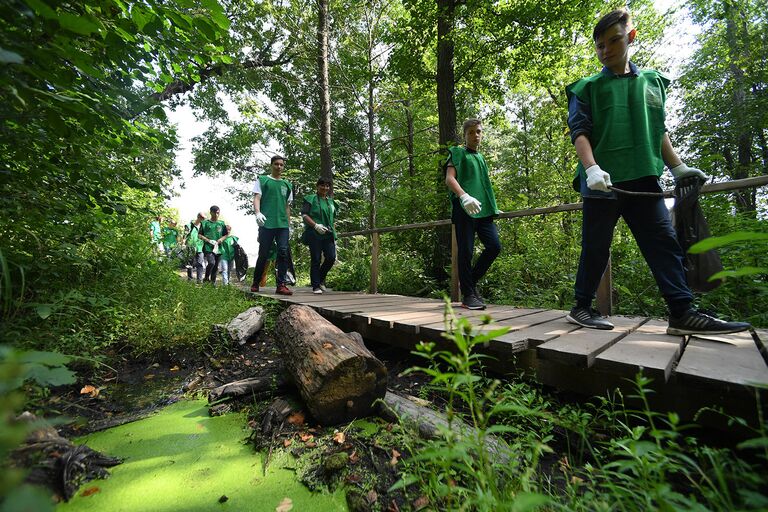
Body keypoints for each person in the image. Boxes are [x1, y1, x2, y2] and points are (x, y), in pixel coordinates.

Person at [564, 9, 750, 336]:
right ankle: (581, 306)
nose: (605, 50)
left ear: (630, 37)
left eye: (613, 41)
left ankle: (682, 313)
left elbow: (658, 129)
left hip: (645, 181)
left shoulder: (652, 83)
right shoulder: (587, 88)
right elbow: (579, 132)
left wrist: (677, 166)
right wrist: (591, 168)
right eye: (599, 45)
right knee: (596, 246)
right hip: (602, 184)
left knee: (664, 243)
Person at [444, 119, 502, 310]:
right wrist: (464, 196)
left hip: (483, 211)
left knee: (494, 246)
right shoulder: (458, 153)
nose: (475, 135)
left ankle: (469, 282)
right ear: (465, 135)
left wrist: (492, 207)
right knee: (466, 251)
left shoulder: (481, 157)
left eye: (478, 132)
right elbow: (449, 179)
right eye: (471, 132)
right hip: (465, 209)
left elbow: (484, 185)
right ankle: (468, 295)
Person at [250, 155, 294, 295]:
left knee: (282, 252)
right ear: (271, 165)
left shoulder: (287, 184)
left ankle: (281, 284)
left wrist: (289, 224)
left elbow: (287, 206)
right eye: (276, 164)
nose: (279, 167)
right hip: (267, 222)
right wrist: (257, 213)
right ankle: (256, 282)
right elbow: (257, 197)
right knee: (264, 254)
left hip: (282, 224)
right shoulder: (263, 180)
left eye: (281, 165)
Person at [301, 177, 338, 294]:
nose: (325, 188)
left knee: (331, 257)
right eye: (322, 185)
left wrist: (333, 231)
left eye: (327, 186)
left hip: (328, 233)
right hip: (314, 233)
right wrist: (316, 225)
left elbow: (333, 218)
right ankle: (315, 285)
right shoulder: (310, 199)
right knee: (316, 258)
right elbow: (304, 215)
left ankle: (320, 279)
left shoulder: (331, 202)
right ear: (317, 186)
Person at [199, 205, 228, 284]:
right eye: (215, 213)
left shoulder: (221, 223)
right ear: (211, 212)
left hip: (218, 247)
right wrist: (208, 240)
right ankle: (206, 277)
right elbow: (200, 235)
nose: (216, 214)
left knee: (215, 266)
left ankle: (212, 283)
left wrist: (221, 240)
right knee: (211, 262)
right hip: (208, 247)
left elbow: (226, 234)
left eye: (218, 213)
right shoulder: (205, 223)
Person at [185, 212, 206, 283]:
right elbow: (185, 235)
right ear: (198, 217)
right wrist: (184, 242)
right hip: (190, 246)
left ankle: (199, 280)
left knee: (200, 263)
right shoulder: (189, 225)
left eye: (204, 218)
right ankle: (190, 278)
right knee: (190, 263)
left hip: (200, 247)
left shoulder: (203, 227)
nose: (203, 219)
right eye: (201, 217)